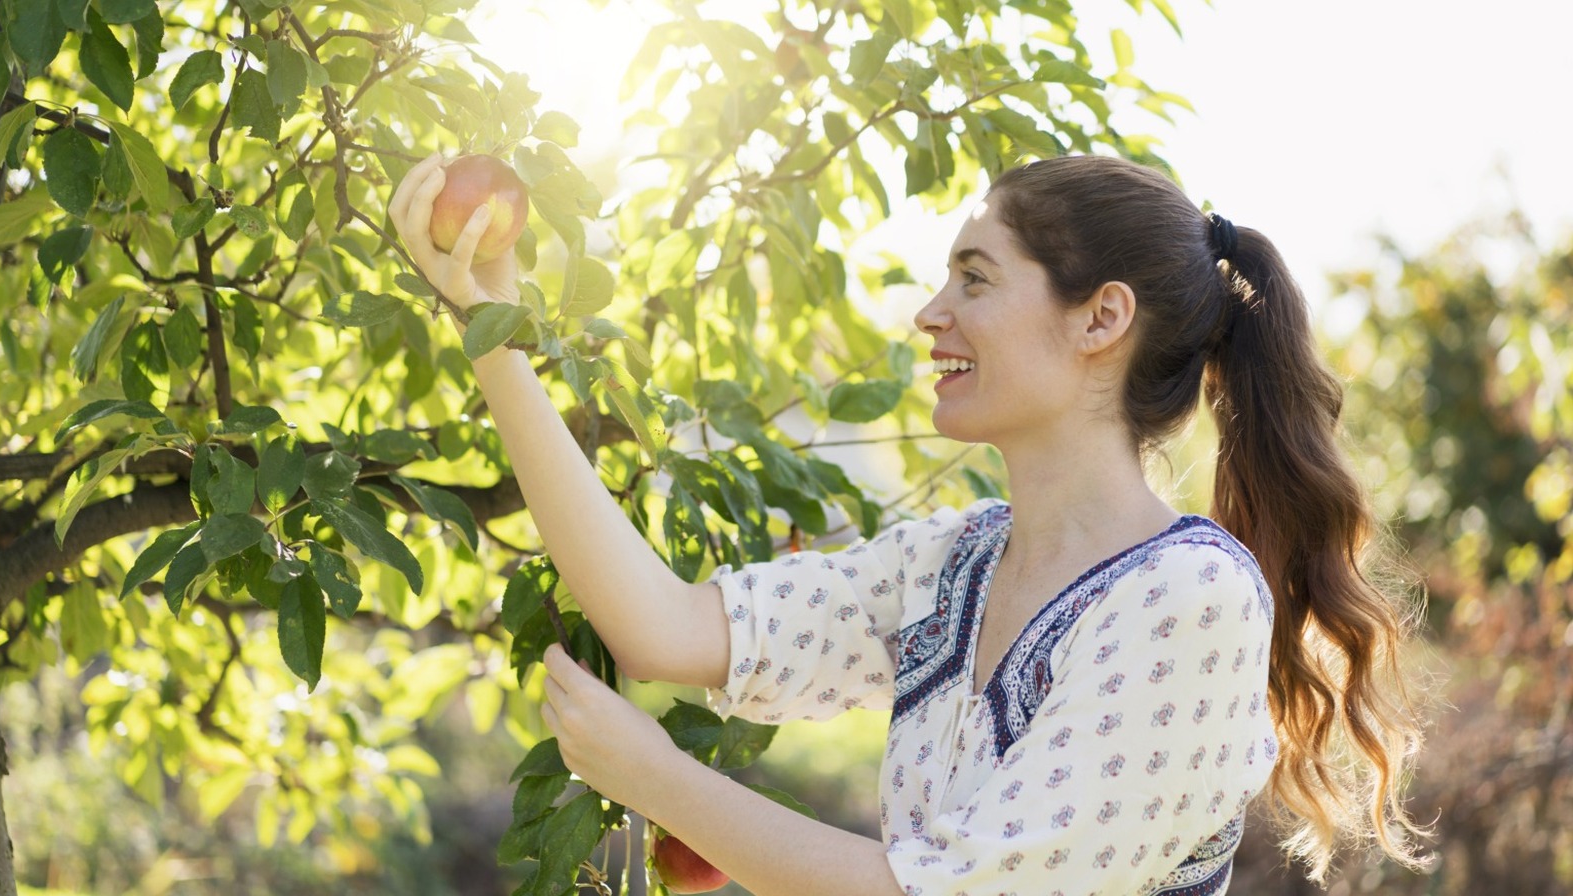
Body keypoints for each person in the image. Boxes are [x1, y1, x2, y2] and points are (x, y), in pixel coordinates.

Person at [389, 153, 1427, 895]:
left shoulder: (1187, 600)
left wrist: (655, 776)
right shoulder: (953, 560)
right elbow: (664, 627)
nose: (930, 313)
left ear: (1100, 318)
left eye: (974, 277)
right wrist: (494, 327)